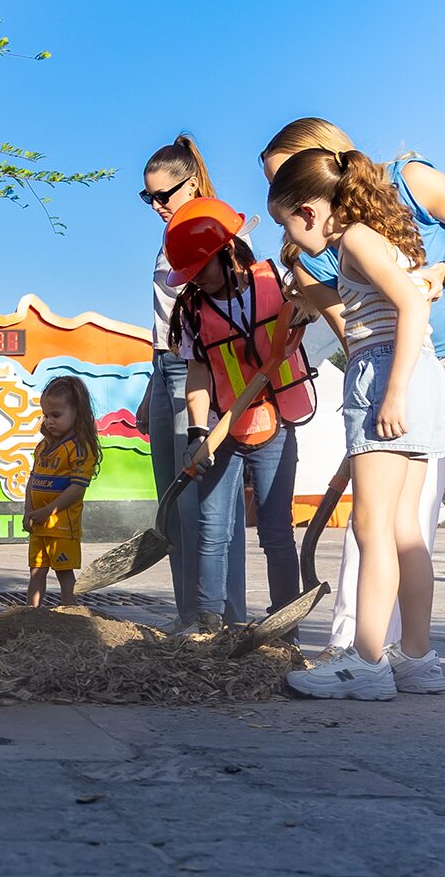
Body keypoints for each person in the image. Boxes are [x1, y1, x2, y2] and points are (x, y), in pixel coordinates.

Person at [261, 118, 445, 662]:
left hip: (391, 376)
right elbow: (359, 325)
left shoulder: (358, 240)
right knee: (406, 528)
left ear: (311, 209)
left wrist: (391, 394)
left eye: (289, 223)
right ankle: (415, 658)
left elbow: (409, 309)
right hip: (412, 372)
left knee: (371, 525)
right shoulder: (380, 234)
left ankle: (364, 661)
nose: (291, 242)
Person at [165, 198, 314, 634]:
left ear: (226, 252)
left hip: (277, 422)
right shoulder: (194, 309)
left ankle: (285, 625)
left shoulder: (278, 284)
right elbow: (198, 374)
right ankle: (207, 622)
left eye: (200, 270)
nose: (195, 282)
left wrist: (308, 302)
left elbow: (323, 301)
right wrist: (197, 431)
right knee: (213, 528)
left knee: (275, 530)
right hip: (223, 427)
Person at [134, 136, 242, 633]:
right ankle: (189, 616)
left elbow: (230, 313)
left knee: (206, 503)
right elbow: (165, 320)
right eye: (148, 198)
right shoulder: (167, 235)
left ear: (192, 184)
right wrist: (149, 384)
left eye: (165, 195)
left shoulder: (217, 226)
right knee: (174, 502)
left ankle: (220, 616)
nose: (157, 206)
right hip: (164, 366)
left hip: (199, 371)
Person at [22, 376, 101, 609]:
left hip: (62, 526)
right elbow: (32, 480)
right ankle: (29, 615)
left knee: (64, 574)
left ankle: (71, 614)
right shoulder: (43, 446)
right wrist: (29, 510)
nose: (49, 421)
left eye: (56, 415)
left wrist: (49, 510)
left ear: (77, 413)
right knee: (36, 571)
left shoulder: (80, 448)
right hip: (39, 524)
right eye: (46, 415)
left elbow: (77, 488)